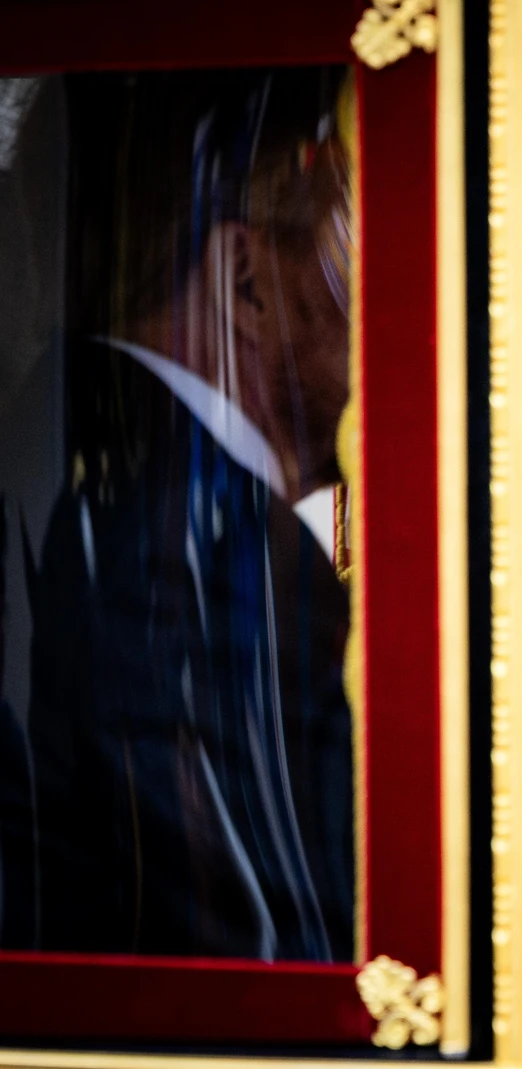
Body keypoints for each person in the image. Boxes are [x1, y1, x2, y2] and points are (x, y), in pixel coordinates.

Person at [0, 69, 355, 961]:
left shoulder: (64, 451)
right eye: (353, 227)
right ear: (245, 279)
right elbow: (293, 969)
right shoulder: (198, 543)